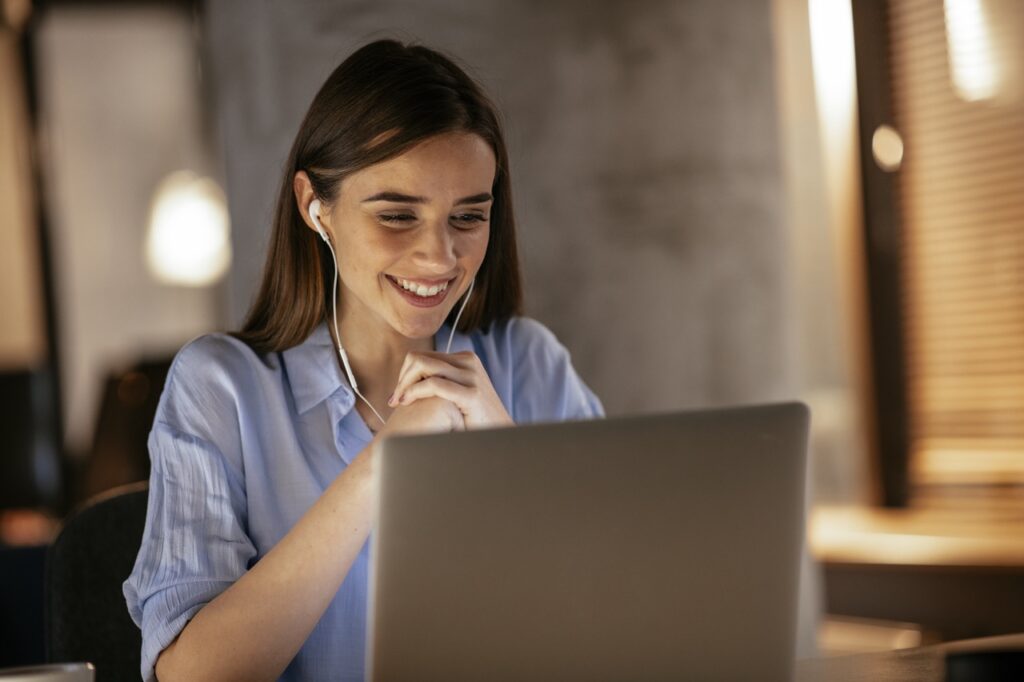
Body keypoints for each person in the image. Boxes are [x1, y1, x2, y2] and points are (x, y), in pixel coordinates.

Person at [123, 39, 603, 682]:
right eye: (398, 215)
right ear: (314, 207)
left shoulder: (532, 367)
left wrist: (507, 462)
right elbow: (198, 676)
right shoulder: (221, 388)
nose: (440, 256)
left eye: (468, 217)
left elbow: (615, 629)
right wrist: (384, 464)